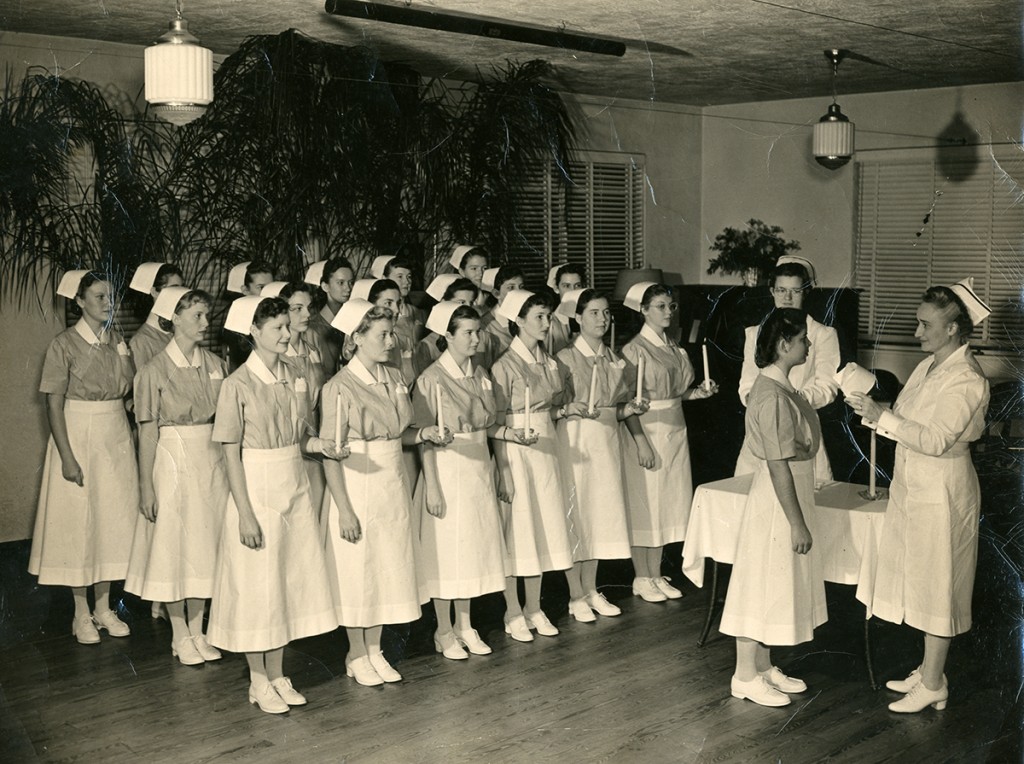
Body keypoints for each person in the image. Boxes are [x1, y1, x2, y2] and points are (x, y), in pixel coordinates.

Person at [848, 279, 990, 714]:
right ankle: (932, 671)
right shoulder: (930, 367)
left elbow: (934, 439)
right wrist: (878, 408)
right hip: (916, 485)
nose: (916, 333)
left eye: (925, 325)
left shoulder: (965, 379)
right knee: (922, 579)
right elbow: (909, 419)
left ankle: (932, 684)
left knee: (939, 583)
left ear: (952, 329)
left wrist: (883, 417)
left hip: (943, 489)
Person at [206, 296, 342, 714]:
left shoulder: (294, 373)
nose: (288, 334)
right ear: (254, 332)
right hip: (257, 490)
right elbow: (230, 453)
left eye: (288, 325)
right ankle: (258, 679)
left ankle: (279, 672)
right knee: (257, 587)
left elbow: (299, 435)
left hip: (294, 485)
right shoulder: (237, 384)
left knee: (286, 582)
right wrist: (245, 513)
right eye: (278, 328)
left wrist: (318, 443)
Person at [320, 300, 450, 686]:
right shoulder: (338, 387)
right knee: (359, 569)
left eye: (392, 333)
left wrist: (424, 434)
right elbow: (330, 453)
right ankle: (355, 652)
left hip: (391, 482)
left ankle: (374, 649)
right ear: (356, 338)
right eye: (382, 334)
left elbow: (401, 432)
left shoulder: (394, 377)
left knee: (384, 567)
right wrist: (343, 508)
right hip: (356, 483)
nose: (391, 341)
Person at [719, 307, 827, 708]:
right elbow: (778, 464)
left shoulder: (783, 387)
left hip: (791, 488)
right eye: (802, 340)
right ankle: (744, 675)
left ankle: (763, 667)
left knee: (774, 583)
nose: (808, 345)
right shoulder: (771, 393)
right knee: (759, 584)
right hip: (779, 498)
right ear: (784, 345)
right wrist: (797, 524)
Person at [29, 270, 139, 644]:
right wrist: (67, 456)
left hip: (115, 436)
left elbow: (127, 390)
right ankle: (80, 614)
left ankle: (104, 607)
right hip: (79, 434)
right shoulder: (63, 345)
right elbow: (53, 405)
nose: (108, 304)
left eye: (110, 297)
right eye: (99, 297)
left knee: (111, 522)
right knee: (80, 524)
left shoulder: (117, 339)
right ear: (78, 301)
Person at [124, 287, 228, 665]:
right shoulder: (153, 371)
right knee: (173, 548)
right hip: (171, 460)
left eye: (207, 315)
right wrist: (145, 485)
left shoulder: (216, 364)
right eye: (197, 316)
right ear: (175, 318)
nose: (206, 322)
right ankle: (179, 634)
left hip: (210, 461)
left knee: (203, 547)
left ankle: (198, 631)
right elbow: (147, 432)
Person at [490, 290, 586, 641]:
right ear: (518, 321)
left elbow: (551, 407)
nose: (547, 324)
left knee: (543, 528)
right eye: (539, 318)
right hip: (516, 451)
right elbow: (498, 422)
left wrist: (564, 411)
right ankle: (512, 611)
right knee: (518, 531)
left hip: (546, 448)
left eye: (548, 317)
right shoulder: (503, 366)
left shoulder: (550, 362)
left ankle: (534, 607)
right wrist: (503, 471)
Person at [414, 302, 507, 659]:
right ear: (447, 336)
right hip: (447, 469)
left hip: (477, 469)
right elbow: (425, 436)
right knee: (446, 552)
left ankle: (466, 624)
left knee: (471, 550)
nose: (475, 338)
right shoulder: (430, 379)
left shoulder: (482, 374)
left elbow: (489, 424)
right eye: (467, 332)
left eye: (477, 331)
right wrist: (433, 486)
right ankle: (443, 630)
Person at [554, 289, 650, 622]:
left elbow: (618, 407)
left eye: (606, 313)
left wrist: (630, 408)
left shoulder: (614, 358)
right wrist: (569, 409)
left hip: (607, 445)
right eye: (594, 313)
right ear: (577, 318)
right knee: (577, 515)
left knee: (598, 516)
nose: (602, 319)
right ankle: (574, 594)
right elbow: (554, 407)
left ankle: (591, 589)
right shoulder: (563, 359)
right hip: (576, 442)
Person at [619, 282, 718, 602]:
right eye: (660, 306)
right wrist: (641, 444)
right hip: (648, 432)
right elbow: (627, 402)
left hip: (675, 432)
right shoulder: (634, 350)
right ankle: (641, 576)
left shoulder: (673, 346)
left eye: (670, 306)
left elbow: (676, 393)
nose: (668, 312)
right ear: (643, 310)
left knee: (666, 504)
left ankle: (654, 572)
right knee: (645, 504)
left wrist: (698, 393)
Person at [736, 257, 839, 483]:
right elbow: (747, 383)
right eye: (781, 290)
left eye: (795, 291)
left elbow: (827, 386)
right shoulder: (755, 333)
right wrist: (757, 401)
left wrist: (792, 401)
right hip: (763, 427)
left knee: (802, 494)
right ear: (772, 292)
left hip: (803, 427)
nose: (787, 297)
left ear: (806, 293)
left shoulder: (823, 334)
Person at [414, 275, 494, 374]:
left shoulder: (483, 338)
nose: (468, 307)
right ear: (444, 303)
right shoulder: (428, 345)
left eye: (471, 302)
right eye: (461, 302)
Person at [128, 262, 186, 369]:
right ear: (154, 292)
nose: (180, 295)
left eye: (181, 289)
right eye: (174, 288)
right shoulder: (141, 342)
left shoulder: (177, 334)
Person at [305, 257, 354, 377]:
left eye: (351, 282)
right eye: (341, 283)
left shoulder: (353, 323)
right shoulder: (312, 330)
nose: (348, 288)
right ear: (325, 286)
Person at [225, 260, 276, 371]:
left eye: (271, 286)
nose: (268, 292)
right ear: (245, 290)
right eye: (261, 287)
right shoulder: (238, 322)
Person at [481, 264, 525, 360]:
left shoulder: (527, 319)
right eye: (511, 287)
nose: (519, 292)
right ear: (496, 293)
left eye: (521, 287)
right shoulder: (485, 326)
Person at [545, 263, 585, 355]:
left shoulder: (589, 318)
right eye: (566, 286)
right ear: (556, 288)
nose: (573, 291)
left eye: (577, 285)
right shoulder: (549, 323)